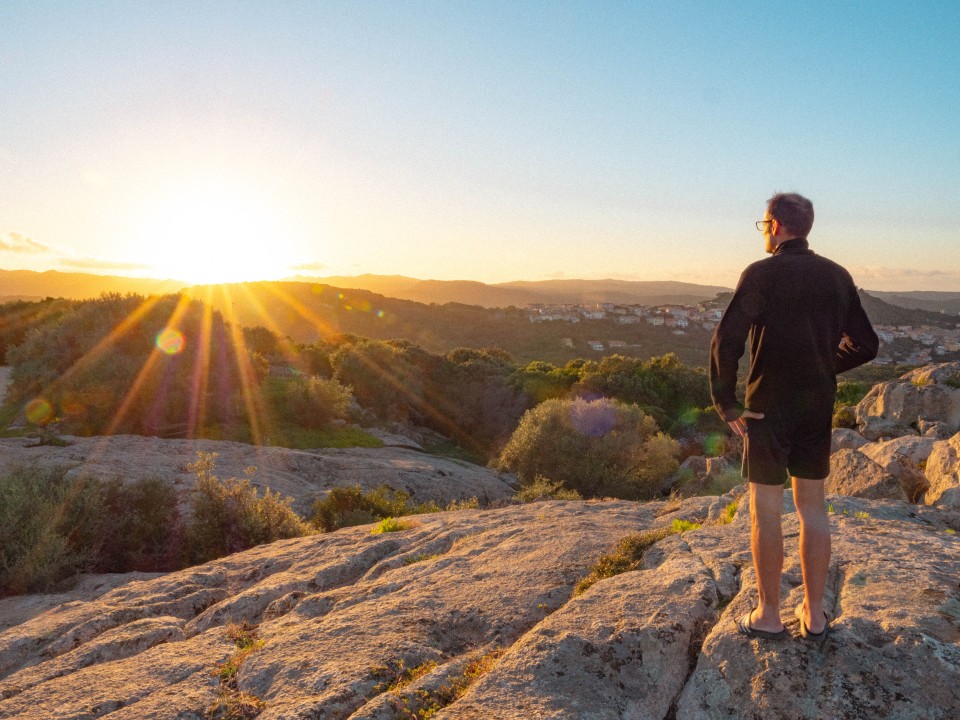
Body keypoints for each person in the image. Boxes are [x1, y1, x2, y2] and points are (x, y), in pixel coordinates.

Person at [709, 192, 878, 641]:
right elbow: (867, 344)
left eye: (764, 225)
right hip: (817, 405)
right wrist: (822, 365)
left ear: (776, 225)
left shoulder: (761, 274)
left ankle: (768, 614)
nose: (764, 232)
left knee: (766, 512)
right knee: (813, 509)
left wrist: (724, 402)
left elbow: (727, 341)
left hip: (766, 406)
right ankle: (815, 615)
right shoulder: (837, 276)